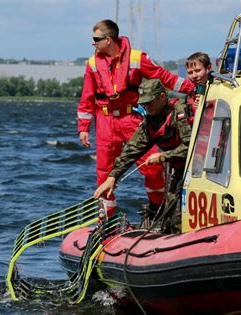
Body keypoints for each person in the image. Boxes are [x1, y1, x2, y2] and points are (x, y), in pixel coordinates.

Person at [77, 19, 195, 216]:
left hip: (131, 118)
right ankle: (107, 222)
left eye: (96, 39)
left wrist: (194, 89)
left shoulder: (137, 58)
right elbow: (87, 96)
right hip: (105, 122)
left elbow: (164, 77)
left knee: (153, 168)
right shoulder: (92, 64)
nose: (93, 43)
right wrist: (83, 127)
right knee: (104, 174)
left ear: (108, 39)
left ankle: (157, 209)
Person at [93, 79, 192, 233]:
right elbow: (131, 150)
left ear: (161, 97)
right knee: (170, 218)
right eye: (143, 104)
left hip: (197, 169)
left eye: (149, 103)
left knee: (177, 217)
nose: (146, 107)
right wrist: (113, 177)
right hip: (178, 170)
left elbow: (191, 148)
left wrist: (162, 156)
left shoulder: (179, 113)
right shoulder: (150, 123)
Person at [184, 52, 212, 123]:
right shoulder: (193, 92)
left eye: (197, 70)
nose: (194, 76)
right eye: (190, 72)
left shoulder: (218, 90)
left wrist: (204, 108)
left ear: (208, 68)